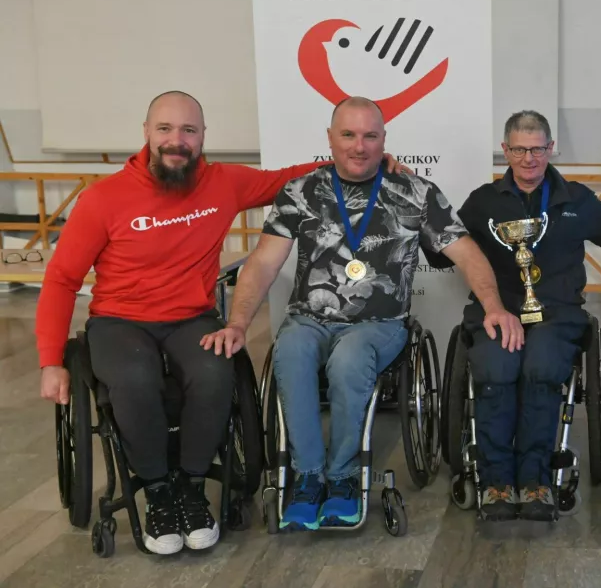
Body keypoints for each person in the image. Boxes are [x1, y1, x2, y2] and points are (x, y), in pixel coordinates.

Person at [35, 90, 409, 555]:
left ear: (203, 136)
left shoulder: (223, 183)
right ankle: (158, 492)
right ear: (146, 132)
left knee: (216, 371)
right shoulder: (102, 199)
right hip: (119, 320)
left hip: (192, 318)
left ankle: (192, 489)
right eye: (165, 129)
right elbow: (62, 279)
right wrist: (51, 361)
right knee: (133, 377)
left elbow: (288, 179)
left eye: (189, 130)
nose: (177, 140)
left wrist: (366, 159)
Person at [200, 96, 522, 531]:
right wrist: (238, 322)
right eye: (348, 135)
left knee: (349, 359)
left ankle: (344, 476)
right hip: (309, 319)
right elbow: (263, 263)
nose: (359, 145)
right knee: (289, 352)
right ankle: (308, 476)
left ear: (384, 140)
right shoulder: (301, 191)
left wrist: (494, 306)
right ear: (330, 138)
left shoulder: (415, 192)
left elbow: (467, 253)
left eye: (370, 136)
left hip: (379, 324)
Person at [452, 110, 601, 521]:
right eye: (519, 149)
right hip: (498, 309)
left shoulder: (576, 199)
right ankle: (497, 480)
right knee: (497, 366)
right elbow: (443, 249)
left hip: (556, 311)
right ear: (505, 150)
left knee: (541, 366)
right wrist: (420, 208)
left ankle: (535, 479)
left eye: (537, 149)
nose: (529, 158)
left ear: (551, 148)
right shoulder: (483, 201)